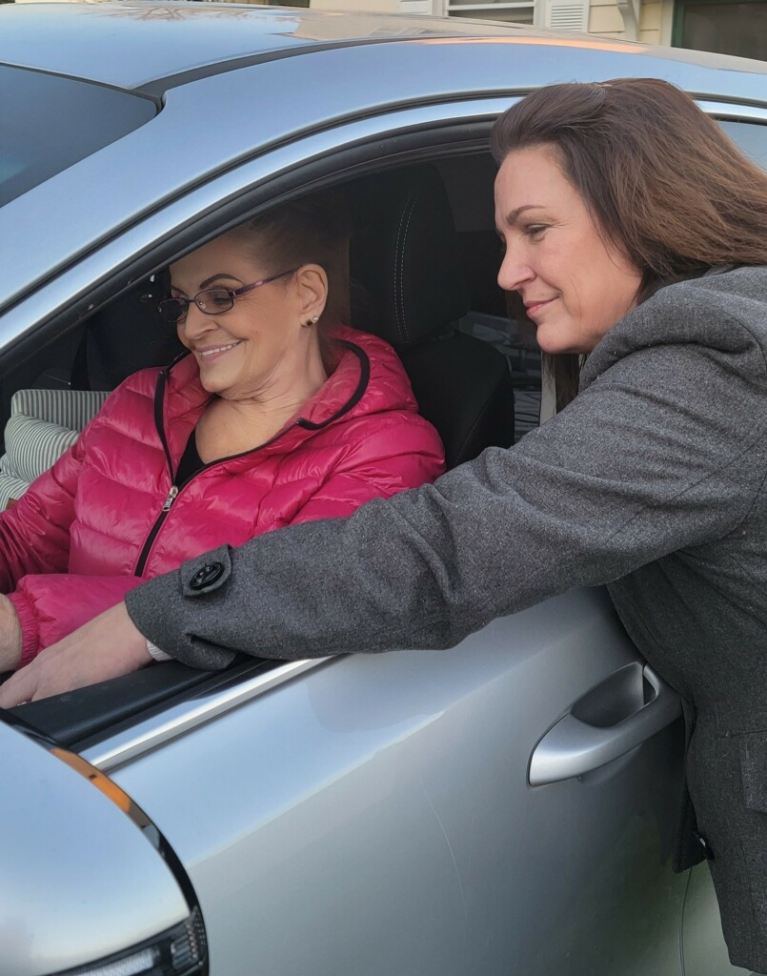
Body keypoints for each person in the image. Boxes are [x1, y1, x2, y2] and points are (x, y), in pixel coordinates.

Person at [3, 78, 767, 971]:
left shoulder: (717, 367)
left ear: (641, 207)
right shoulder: (142, 403)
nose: (504, 272)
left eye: (535, 230)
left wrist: (129, 618)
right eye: (502, 237)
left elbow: (445, 549)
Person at [0, 191, 445, 673]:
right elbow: (24, 539)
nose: (191, 328)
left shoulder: (385, 451)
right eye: (181, 303)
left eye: (220, 296)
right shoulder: (138, 402)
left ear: (308, 294)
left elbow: (277, 602)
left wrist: (26, 622)